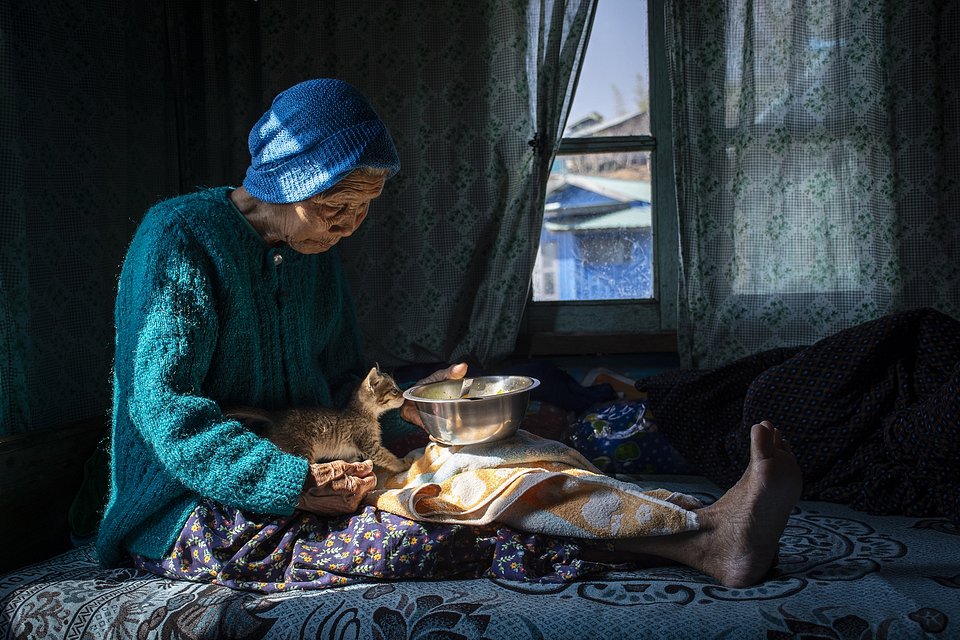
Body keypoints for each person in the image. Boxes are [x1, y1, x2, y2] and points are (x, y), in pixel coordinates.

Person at [97, 78, 801, 592]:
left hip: (308, 457)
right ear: (280, 181)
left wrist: (411, 410)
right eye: (333, 205)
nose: (347, 224)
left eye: (364, 208)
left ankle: (698, 517)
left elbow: (344, 377)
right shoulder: (181, 239)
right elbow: (165, 410)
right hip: (192, 506)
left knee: (508, 461)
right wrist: (291, 482)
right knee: (447, 523)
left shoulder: (317, 254)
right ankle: (704, 548)